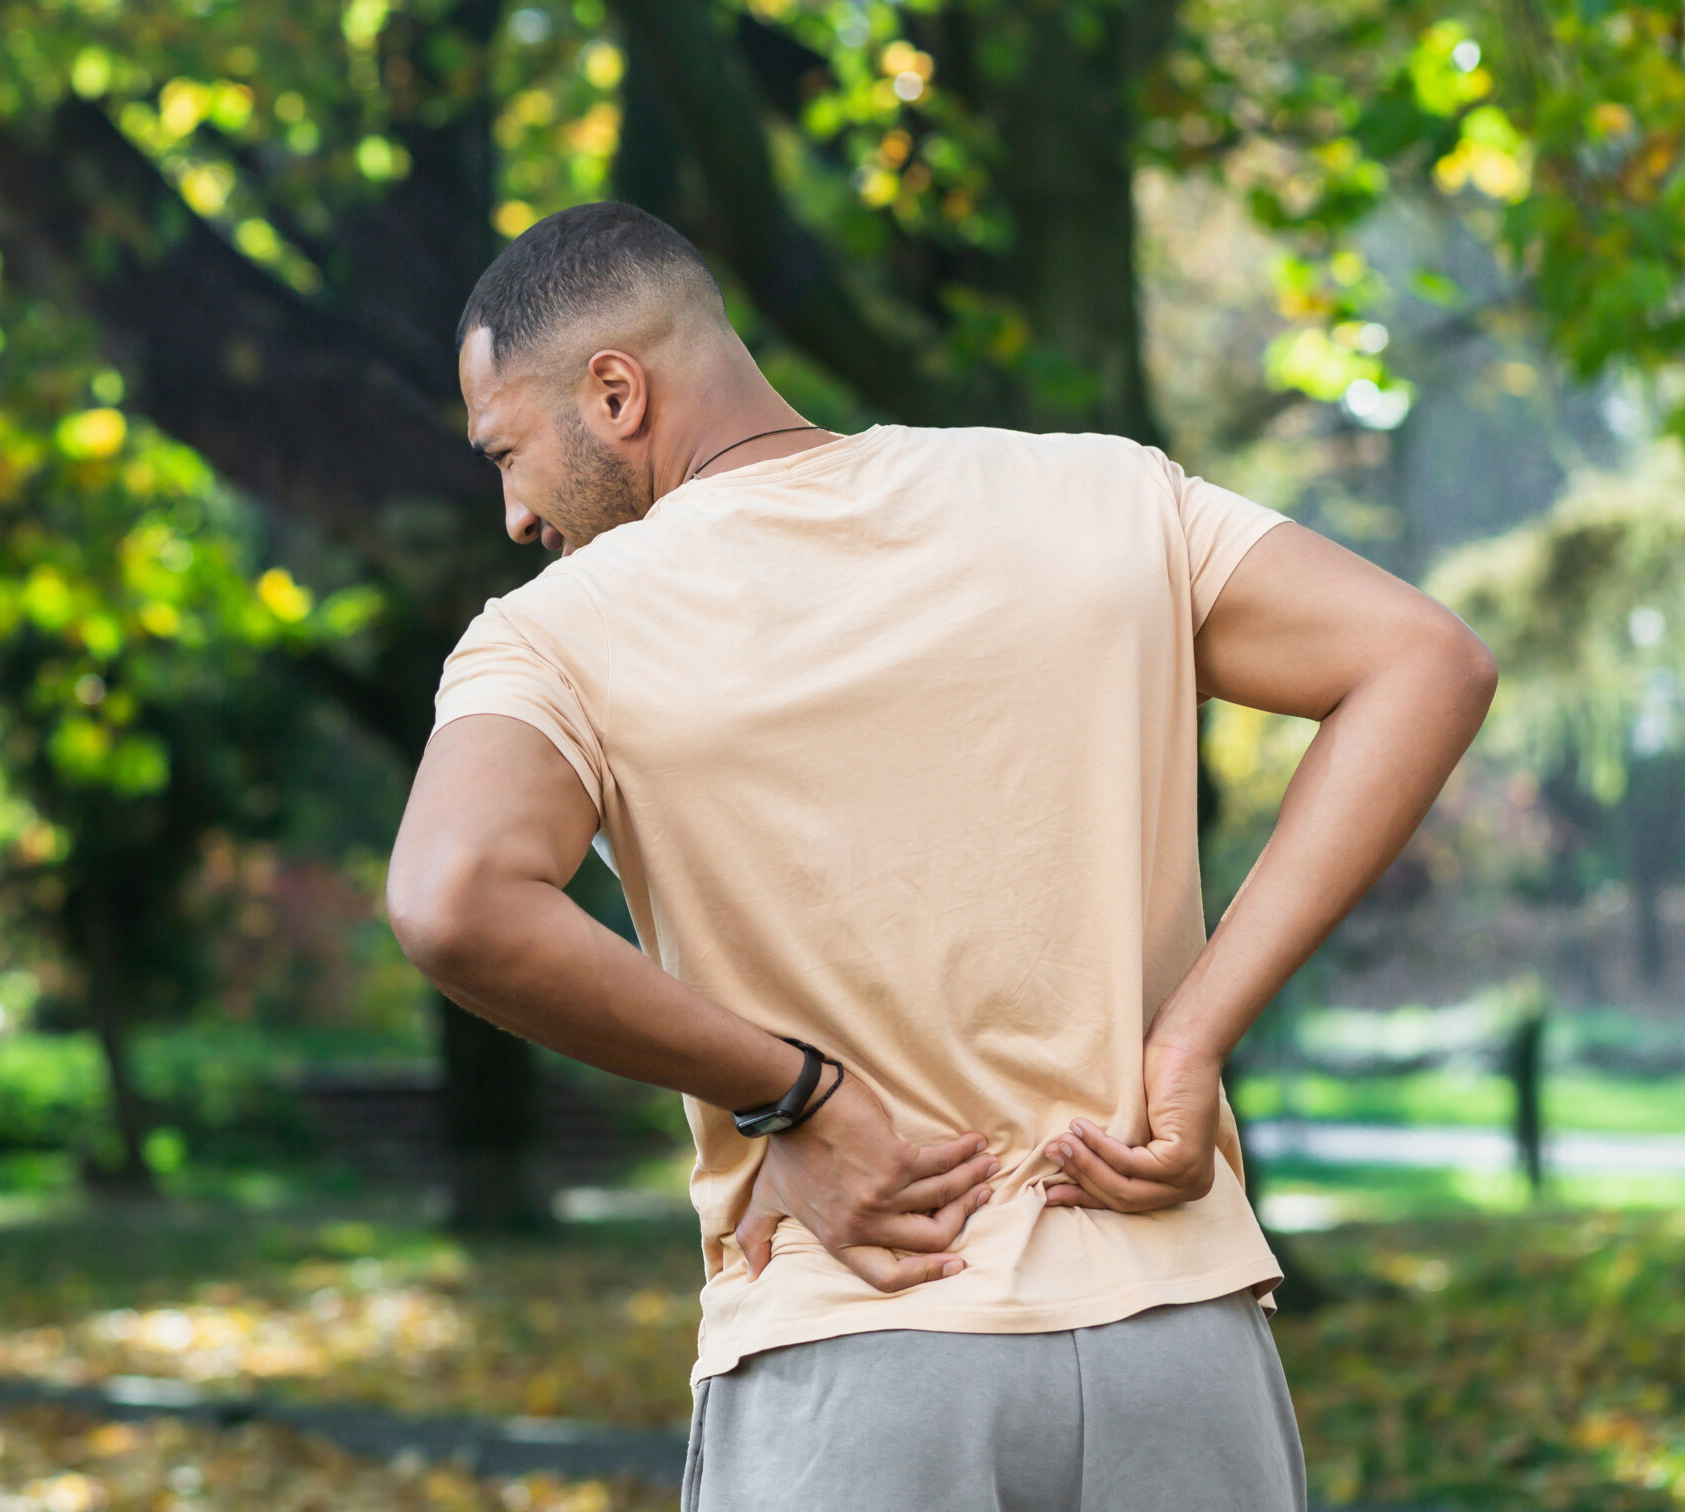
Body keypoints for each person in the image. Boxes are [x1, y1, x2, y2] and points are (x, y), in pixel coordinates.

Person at [384, 202, 1496, 1511]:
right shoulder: (1099, 496)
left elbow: (454, 899)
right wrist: (1190, 1040)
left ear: (616, 392)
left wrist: (793, 1094)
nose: (513, 514)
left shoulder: (559, 633)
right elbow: (1426, 659)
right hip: (1177, 1343)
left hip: (857, 1343)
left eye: (507, 451)